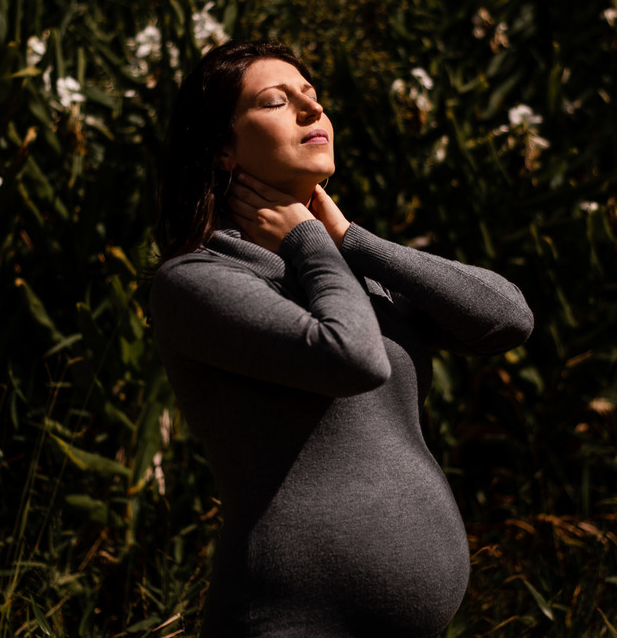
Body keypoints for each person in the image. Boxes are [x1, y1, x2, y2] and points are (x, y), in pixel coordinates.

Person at [150, 40, 533, 637]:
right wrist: (311, 242)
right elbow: (351, 357)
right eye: (278, 101)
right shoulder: (197, 280)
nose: (311, 110)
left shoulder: (345, 265)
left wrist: (352, 239)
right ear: (223, 149)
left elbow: (507, 319)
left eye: (314, 97)